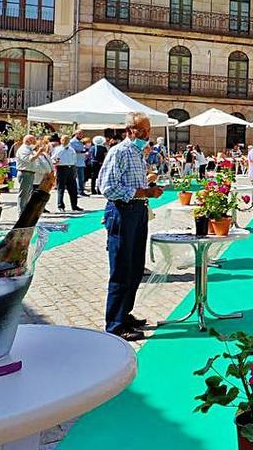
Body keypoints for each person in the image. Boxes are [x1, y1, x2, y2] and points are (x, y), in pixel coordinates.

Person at [99, 112, 165, 341]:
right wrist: (144, 192)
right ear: (129, 130)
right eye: (142, 131)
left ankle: (124, 314)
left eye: (148, 131)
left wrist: (149, 187)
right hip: (122, 211)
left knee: (135, 267)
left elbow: (132, 184)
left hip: (137, 211)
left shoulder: (138, 154)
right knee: (121, 269)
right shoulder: (119, 151)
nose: (147, 135)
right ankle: (115, 325)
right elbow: (107, 187)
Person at [51, 135, 82, 212]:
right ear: (61, 140)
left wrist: (74, 170)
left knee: (73, 188)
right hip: (61, 168)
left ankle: (74, 205)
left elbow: (74, 160)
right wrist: (55, 162)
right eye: (64, 140)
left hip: (70, 168)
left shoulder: (71, 149)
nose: (65, 141)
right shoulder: (57, 149)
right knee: (61, 188)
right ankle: (60, 205)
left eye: (67, 139)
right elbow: (52, 159)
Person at [15, 135, 44, 213]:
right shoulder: (23, 149)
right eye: (33, 141)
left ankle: (25, 211)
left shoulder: (29, 149)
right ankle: (21, 212)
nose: (35, 143)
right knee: (23, 194)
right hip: (25, 173)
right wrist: (39, 152)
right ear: (28, 141)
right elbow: (30, 159)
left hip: (29, 173)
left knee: (27, 194)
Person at [69, 130, 89, 196]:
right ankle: (76, 191)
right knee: (76, 178)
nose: (81, 135)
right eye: (79, 134)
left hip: (81, 162)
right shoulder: (72, 142)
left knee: (81, 178)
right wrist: (81, 151)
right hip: (75, 162)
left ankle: (81, 191)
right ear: (76, 134)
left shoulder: (81, 142)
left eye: (82, 134)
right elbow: (72, 151)